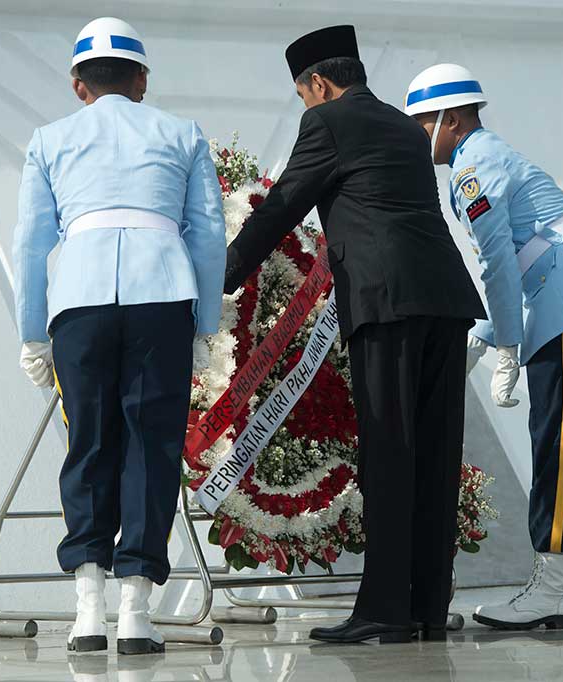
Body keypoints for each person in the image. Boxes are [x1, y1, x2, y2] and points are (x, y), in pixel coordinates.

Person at [223, 25, 487, 644]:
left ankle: (385, 611)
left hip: (387, 302)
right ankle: (425, 606)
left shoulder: (328, 122)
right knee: (436, 452)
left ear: (319, 82)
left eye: (303, 95)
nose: (305, 107)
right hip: (445, 300)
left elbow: (286, 202)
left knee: (389, 451)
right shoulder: (403, 125)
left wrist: (226, 272)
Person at [11, 16, 226, 654]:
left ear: (79, 85)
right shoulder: (181, 132)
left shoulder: (49, 139)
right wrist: (208, 326)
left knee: (89, 444)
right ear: (140, 81)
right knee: (150, 444)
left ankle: (87, 609)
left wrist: (31, 332)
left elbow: (31, 243)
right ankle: (136, 608)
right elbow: (208, 236)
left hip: (78, 302)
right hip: (161, 297)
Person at [404, 63, 563, 630]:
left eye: (422, 121)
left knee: (561, 439)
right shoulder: (480, 156)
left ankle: (552, 588)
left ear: (450, 120)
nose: (417, 133)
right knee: (555, 435)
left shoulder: (472, 169)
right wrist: (483, 340)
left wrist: (506, 341)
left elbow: (499, 264)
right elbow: (512, 267)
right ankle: (552, 585)